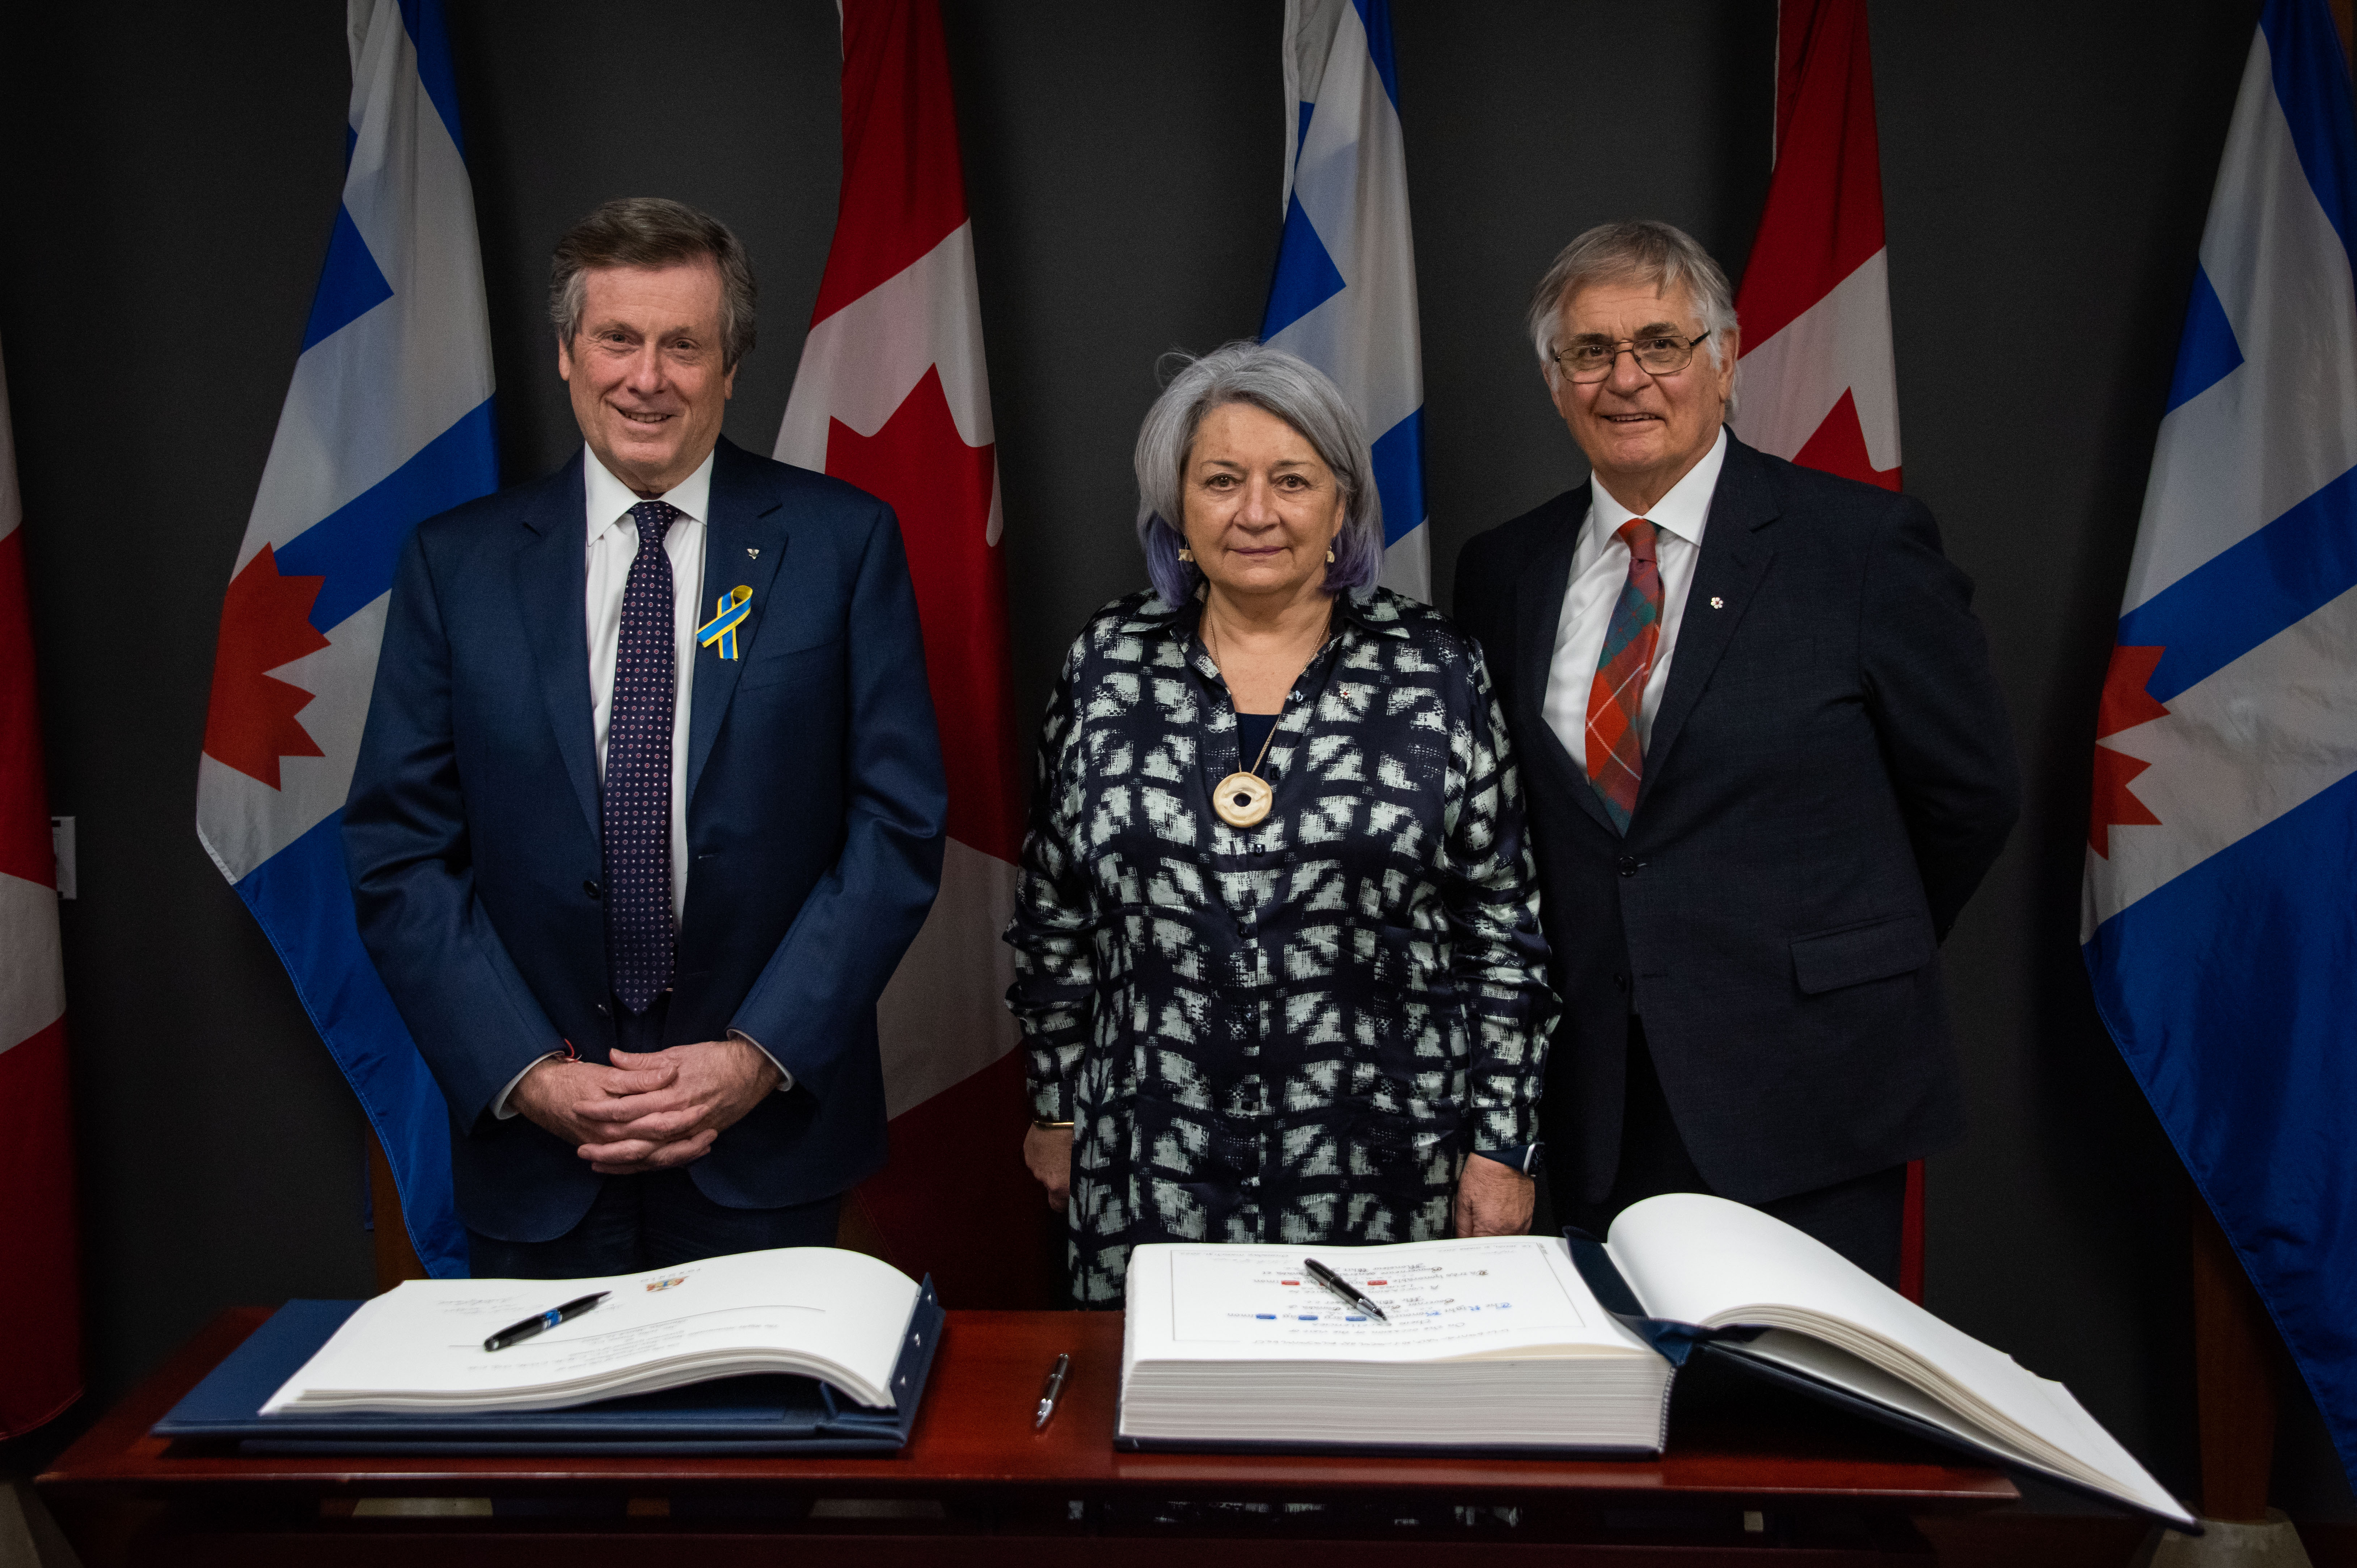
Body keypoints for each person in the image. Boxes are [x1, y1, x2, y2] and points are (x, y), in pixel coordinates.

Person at [345, 198, 946, 1277]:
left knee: (760, 1397)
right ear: (567, 353)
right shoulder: (455, 564)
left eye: (684, 345)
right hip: (540, 1146)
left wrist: (755, 1057)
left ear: (732, 365)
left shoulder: (841, 544)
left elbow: (895, 829)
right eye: (618, 339)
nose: (647, 378)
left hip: (765, 1140)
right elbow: (399, 852)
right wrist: (529, 1073)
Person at [1453, 221, 2019, 1286]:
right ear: (1555, 381)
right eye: (1591, 351)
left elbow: (1969, 795)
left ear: (1725, 359)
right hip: (1591, 1096)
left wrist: (1829, 951)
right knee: (1616, 1386)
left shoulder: (1861, 547)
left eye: (1660, 344)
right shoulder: (1501, 570)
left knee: (1793, 1391)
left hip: (1807, 1085)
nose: (1627, 379)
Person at [1007, 342, 1558, 1308]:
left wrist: (1503, 1147)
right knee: (1159, 1400)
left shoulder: (1435, 668)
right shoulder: (1107, 662)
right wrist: (1055, 1107)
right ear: (1178, 506)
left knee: (1365, 1404)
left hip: (1389, 1163)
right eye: (1222, 480)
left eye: (1292, 480)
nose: (1255, 512)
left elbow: (1501, 933)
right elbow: (1055, 915)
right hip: (1149, 1155)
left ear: (1342, 506)